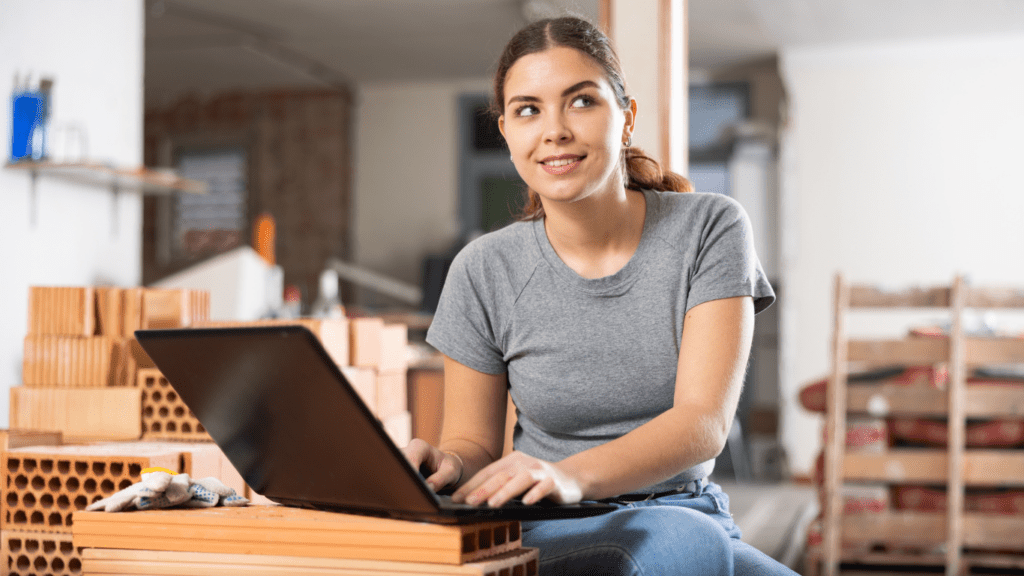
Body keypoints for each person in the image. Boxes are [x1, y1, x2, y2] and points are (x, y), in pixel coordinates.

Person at [402, 16, 796, 576]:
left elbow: (702, 423)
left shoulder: (710, 228)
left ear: (626, 118)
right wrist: (446, 463)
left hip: (688, 512)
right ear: (508, 132)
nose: (554, 129)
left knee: (687, 540)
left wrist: (570, 472)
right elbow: (474, 447)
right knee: (684, 544)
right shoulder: (482, 269)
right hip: (549, 526)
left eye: (580, 101)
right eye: (528, 109)